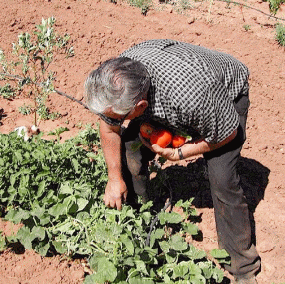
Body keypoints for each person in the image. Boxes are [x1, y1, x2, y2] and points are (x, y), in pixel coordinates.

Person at [84, 39, 260, 284]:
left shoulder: (194, 95)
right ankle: (140, 217)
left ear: (141, 106)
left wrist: (179, 153)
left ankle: (243, 267)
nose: (112, 119)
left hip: (225, 96)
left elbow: (227, 133)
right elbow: (109, 125)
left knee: (222, 180)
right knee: (130, 153)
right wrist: (114, 179)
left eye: (121, 115)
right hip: (173, 90)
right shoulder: (120, 76)